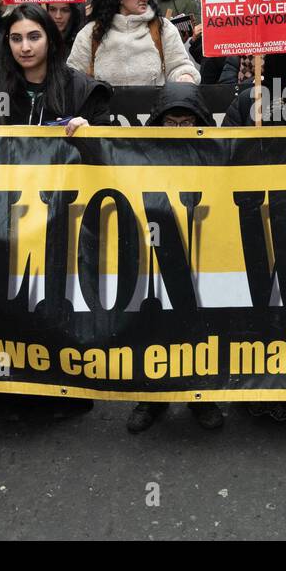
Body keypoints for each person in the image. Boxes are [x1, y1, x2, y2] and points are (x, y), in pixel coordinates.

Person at [125, 83, 225, 433]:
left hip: (201, 251)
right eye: (173, 122)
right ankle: (151, 397)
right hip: (156, 249)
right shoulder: (142, 154)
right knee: (154, 322)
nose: (180, 130)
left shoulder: (218, 154)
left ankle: (201, 397)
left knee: (197, 321)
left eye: (188, 122)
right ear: (158, 123)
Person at [0, 4, 113, 130]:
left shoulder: (84, 91)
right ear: (7, 42)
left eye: (34, 37)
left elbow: (107, 152)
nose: (25, 47)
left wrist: (90, 133)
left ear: (50, 39)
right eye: (16, 39)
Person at [67, 0, 198, 86]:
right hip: (105, 111)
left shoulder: (163, 28)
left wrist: (185, 77)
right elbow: (74, 77)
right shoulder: (91, 33)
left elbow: (178, 66)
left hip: (152, 110)